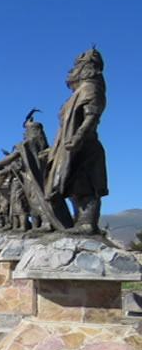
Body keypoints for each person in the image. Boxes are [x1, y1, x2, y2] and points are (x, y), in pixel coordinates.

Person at [44, 47, 107, 234]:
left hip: (84, 146)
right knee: (70, 186)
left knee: (85, 186)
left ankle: (87, 224)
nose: (72, 71)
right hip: (68, 147)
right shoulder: (76, 94)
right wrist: (52, 150)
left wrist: (78, 137)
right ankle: (76, 223)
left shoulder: (91, 88)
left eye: (77, 66)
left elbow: (92, 116)